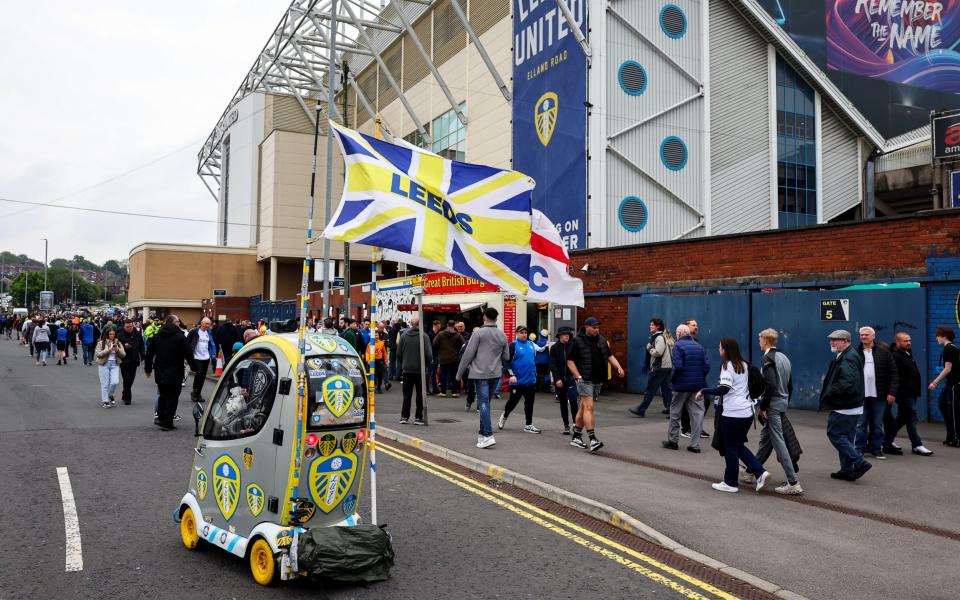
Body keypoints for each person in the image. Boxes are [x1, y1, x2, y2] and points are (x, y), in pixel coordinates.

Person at [699, 337, 769, 493]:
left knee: (730, 447)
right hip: (747, 413)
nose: (719, 349)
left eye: (720, 347)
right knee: (737, 445)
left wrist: (704, 391)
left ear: (725, 349)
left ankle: (730, 483)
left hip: (732, 413)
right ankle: (760, 472)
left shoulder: (727, 366)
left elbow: (724, 389)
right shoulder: (744, 365)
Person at [750, 329, 802, 495]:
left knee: (779, 443)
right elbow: (790, 385)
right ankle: (752, 470)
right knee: (767, 440)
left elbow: (770, 385)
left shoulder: (768, 358)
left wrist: (763, 406)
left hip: (772, 406)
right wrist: (784, 402)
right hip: (781, 403)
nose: (759, 342)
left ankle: (793, 482)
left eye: (760, 339)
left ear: (765, 340)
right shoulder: (784, 358)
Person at [566, 317, 624, 452]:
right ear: (587, 327)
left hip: (598, 379)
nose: (597, 330)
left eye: (598, 327)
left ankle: (576, 436)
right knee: (589, 407)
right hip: (585, 379)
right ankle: (592, 439)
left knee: (583, 408)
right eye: (594, 327)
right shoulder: (577, 341)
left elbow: (610, 356)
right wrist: (578, 376)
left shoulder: (602, 340)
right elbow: (570, 361)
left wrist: (618, 367)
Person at [820, 330, 872, 481]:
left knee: (835, 434)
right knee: (846, 438)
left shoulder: (848, 357)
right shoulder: (848, 354)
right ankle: (847, 470)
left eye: (835, 340)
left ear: (845, 341)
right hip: (851, 406)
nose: (832, 342)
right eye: (831, 340)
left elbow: (847, 383)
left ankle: (859, 461)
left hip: (844, 406)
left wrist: (830, 392)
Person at [457, 307, 510, 449]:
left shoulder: (478, 333)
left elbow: (468, 354)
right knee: (486, 403)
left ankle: (488, 435)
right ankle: (481, 434)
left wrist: (459, 374)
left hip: (480, 373)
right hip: (496, 373)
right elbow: (506, 356)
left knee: (483, 404)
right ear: (496, 318)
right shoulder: (502, 335)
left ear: (484, 317)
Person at [884, 332, 933, 456]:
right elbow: (895, 376)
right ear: (898, 342)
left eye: (909, 340)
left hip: (912, 392)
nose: (909, 343)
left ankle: (887, 440)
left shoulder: (907, 353)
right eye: (905, 341)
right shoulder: (895, 356)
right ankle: (917, 445)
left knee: (901, 418)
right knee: (912, 417)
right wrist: (899, 391)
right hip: (904, 393)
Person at [662, 324, 709, 452]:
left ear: (679, 334)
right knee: (697, 415)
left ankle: (673, 441)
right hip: (697, 386)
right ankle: (695, 445)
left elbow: (678, 366)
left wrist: (673, 379)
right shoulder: (699, 346)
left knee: (675, 413)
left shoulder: (678, 346)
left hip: (681, 386)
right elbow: (706, 366)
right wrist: (699, 378)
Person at [855, 326, 898, 460]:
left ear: (873, 336)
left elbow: (894, 373)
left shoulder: (884, 353)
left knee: (877, 423)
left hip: (879, 394)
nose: (863, 337)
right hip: (861, 395)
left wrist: (892, 392)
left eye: (866, 335)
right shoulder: (855, 352)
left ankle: (876, 449)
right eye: (861, 335)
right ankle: (859, 449)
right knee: (860, 424)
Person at [144, 315, 191, 430]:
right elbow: (188, 353)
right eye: (177, 321)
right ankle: (167, 422)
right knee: (172, 397)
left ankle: (160, 418)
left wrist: (148, 369)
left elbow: (149, 354)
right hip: (175, 372)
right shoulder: (180, 337)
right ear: (173, 323)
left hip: (160, 372)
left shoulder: (157, 336)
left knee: (163, 396)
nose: (179, 323)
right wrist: (195, 367)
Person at [499, 325, 543, 434]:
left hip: (530, 380)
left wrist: (535, 373)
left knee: (529, 403)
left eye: (525, 332)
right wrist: (511, 375)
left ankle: (528, 425)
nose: (524, 334)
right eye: (521, 332)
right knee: (512, 403)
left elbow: (532, 360)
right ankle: (504, 416)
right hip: (517, 381)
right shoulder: (513, 345)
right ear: (516, 334)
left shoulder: (531, 344)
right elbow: (506, 362)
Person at [630, 318, 674, 418]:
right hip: (667, 367)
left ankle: (641, 409)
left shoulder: (659, 337)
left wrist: (649, 348)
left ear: (658, 326)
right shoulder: (663, 336)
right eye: (650, 324)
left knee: (650, 389)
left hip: (659, 368)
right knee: (667, 389)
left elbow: (658, 352)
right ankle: (671, 409)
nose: (650, 326)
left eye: (652, 325)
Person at [396, 315, 432, 425]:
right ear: (420, 324)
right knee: (420, 395)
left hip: (407, 369)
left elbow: (398, 353)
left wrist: (405, 362)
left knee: (407, 395)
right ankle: (418, 417)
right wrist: (426, 364)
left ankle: (404, 416)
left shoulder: (404, 336)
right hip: (420, 370)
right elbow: (429, 355)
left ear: (411, 324)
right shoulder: (424, 337)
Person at [929, 326, 959, 447]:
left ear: (944, 336)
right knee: (942, 405)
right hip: (950, 384)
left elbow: (948, 369)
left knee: (953, 412)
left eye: (938, 335)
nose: (936, 338)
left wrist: (934, 382)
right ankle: (950, 436)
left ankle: (956, 438)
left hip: (954, 385)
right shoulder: (953, 348)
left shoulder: (949, 349)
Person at [550, 326, 579, 435]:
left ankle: (576, 424)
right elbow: (553, 365)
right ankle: (566, 425)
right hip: (560, 380)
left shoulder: (573, 346)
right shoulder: (554, 348)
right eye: (565, 334)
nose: (567, 336)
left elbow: (577, 362)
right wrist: (557, 379)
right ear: (560, 336)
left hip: (571, 378)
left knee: (573, 400)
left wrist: (577, 376)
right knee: (563, 402)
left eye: (568, 334)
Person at [186, 317, 217, 403]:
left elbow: (212, 343)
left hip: (206, 357)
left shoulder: (209, 332)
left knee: (203, 376)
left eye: (209, 324)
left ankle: (198, 393)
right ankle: (195, 391)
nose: (208, 326)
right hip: (196, 357)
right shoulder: (194, 331)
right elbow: (187, 343)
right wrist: (187, 356)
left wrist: (213, 353)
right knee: (199, 373)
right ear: (202, 323)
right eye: (207, 324)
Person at [95, 327, 126, 408]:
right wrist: (108, 350)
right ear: (107, 335)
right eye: (110, 334)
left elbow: (123, 354)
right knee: (104, 384)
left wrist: (117, 350)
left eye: (113, 334)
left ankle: (110, 395)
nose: (112, 336)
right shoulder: (101, 343)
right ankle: (105, 401)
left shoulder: (118, 343)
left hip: (114, 364)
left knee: (115, 382)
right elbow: (98, 354)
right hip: (104, 364)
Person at [433, 319, 464, 398]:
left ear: (447, 325)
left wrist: (440, 349)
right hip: (455, 358)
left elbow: (434, 343)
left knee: (443, 375)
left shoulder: (440, 334)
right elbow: (463, 345)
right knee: (454, 375)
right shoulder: (458, 335)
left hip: (443, 358)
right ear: (454, 326)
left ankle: (443, 392)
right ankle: (454, 392)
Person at [117, 319, 145, 405]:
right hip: (124, 360)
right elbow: (117, 348)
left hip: (134, 360)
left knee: (131, 379)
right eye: (127, 327)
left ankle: (125, 392)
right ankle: (128, 398)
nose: (129, 328)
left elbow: (141, 346)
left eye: (130, 326)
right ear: (124, 326)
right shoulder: (120, 335)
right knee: (126, 379)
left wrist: (143, 357)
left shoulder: (137, 333)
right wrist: (124, 346)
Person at [427, 320, 442, 395]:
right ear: (436, 325)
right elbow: (431, 345)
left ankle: (435, 388)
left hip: (436, 355)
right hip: (431, 355)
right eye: (439, 325)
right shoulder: (430, 334)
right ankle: (427, 389)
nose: (440, 327)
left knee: (434, 373)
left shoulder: (437, 333)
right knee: (429, 373)